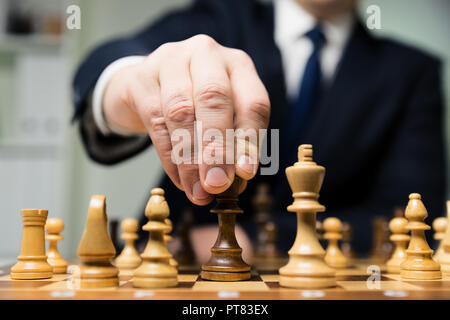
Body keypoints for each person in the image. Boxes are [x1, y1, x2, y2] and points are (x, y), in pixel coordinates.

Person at [72, 0, 447, 254]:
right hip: (173, 269)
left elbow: (412, 216)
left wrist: (252, 239)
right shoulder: (219, 18)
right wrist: (126, 86)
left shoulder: (411, 72)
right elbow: (112, 59)